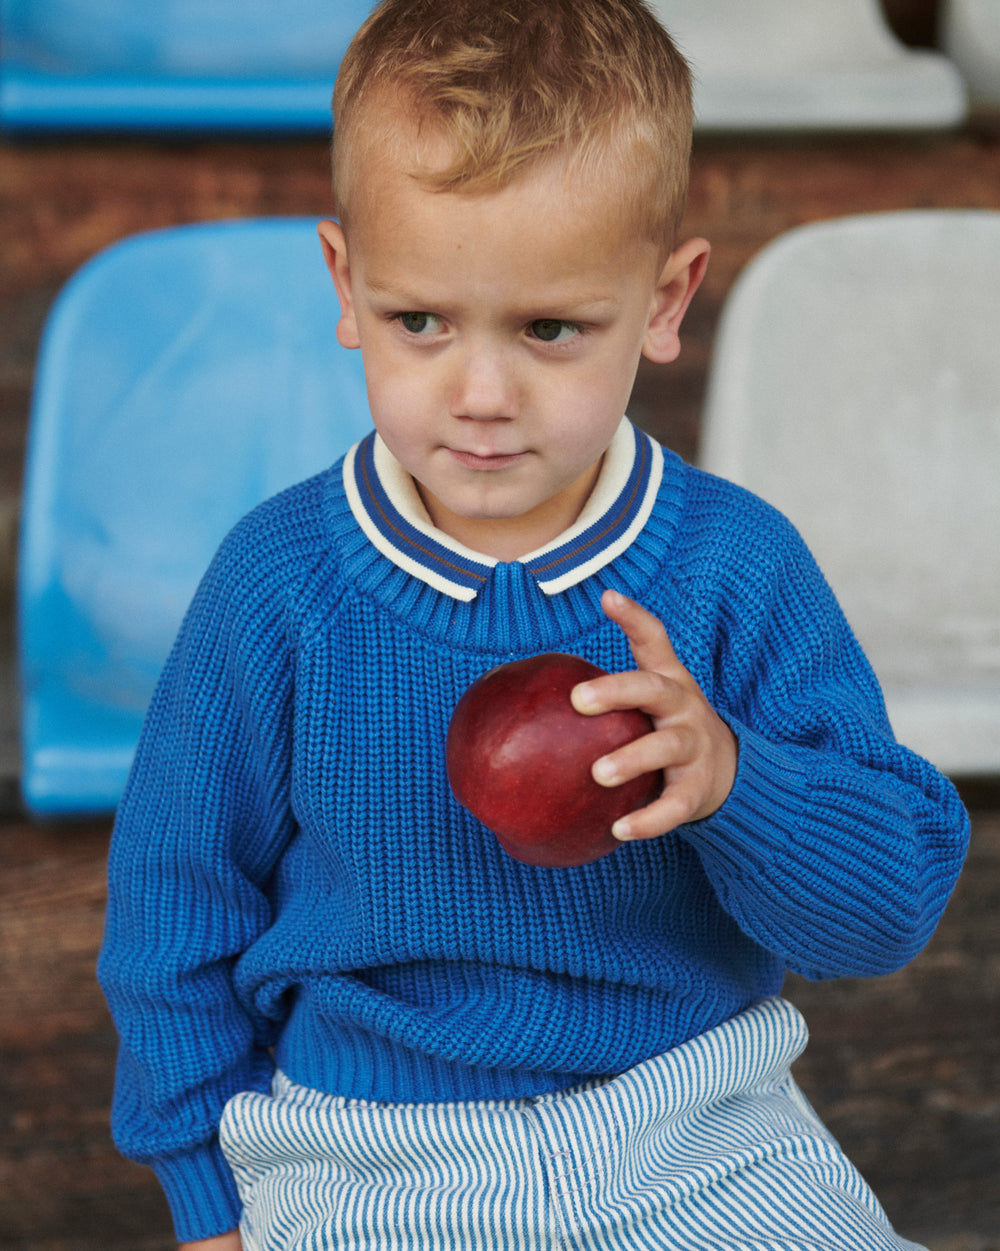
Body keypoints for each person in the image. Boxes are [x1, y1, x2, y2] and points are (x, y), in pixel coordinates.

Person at [98, 1, 970, 1248]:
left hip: (695, 1127)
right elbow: (175, 901)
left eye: (551, 329)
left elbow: (886, 912)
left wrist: (729, 775)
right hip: (367, 1149)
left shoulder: (732, 565)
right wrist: (203, 1194)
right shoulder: (279, 583)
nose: (484, 395)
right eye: (421, 324)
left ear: (664, 301)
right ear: (347, 286)